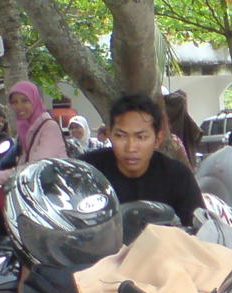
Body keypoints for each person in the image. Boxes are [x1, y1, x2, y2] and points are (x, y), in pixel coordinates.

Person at [81, 93, 203, 225]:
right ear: (110, 135)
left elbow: (198, 229)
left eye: (141, 137)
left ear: (158, 139)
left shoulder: (178, 177)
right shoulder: (87, 172)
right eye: (121, 136)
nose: (131, 148)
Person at [0, 81, 67, 204]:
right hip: (36, 191)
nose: (19, 106)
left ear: (35, 100)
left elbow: (36, 167)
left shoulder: (48, 127)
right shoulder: (27, 129)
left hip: (53, 196)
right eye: (14, 102)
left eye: (25, 100)